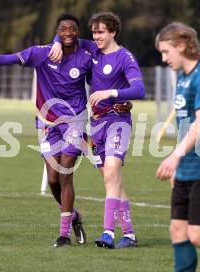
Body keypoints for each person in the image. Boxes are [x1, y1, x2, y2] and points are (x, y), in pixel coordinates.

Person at [0, 13, 90, 248]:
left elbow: (104, 61)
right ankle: (74, 216)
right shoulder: (40, 53)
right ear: (57, 32)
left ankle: (64, 235)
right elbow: (4, 60)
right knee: (52, 180)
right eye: (63, 30)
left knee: (66, 170)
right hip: (47, 123)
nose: (68, 33)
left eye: (72, 29)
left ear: (78, 32)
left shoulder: (87, 54)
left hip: (75, 121)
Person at [50, 11, 145, 249]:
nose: (96, 36)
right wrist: (55, 43)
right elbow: (65, 35)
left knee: (112, 174)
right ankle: (130, 235)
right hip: (96, 126)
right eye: (94, 32)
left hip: (118, 121)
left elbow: (139, 89)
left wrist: (112, 94)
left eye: (101, 31)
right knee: (112, 179)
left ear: (113, 31)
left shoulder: (125, 57)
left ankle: (108, 234)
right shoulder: (92, 50)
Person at [155, 22, 200, 271]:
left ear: (183, 46)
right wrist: (180, 165)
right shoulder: (183, 77)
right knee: (178, 230)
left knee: (198, 235)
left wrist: (174, 157)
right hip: (187, 168)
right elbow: (186, 126)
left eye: (166, 52)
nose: (164, 59)